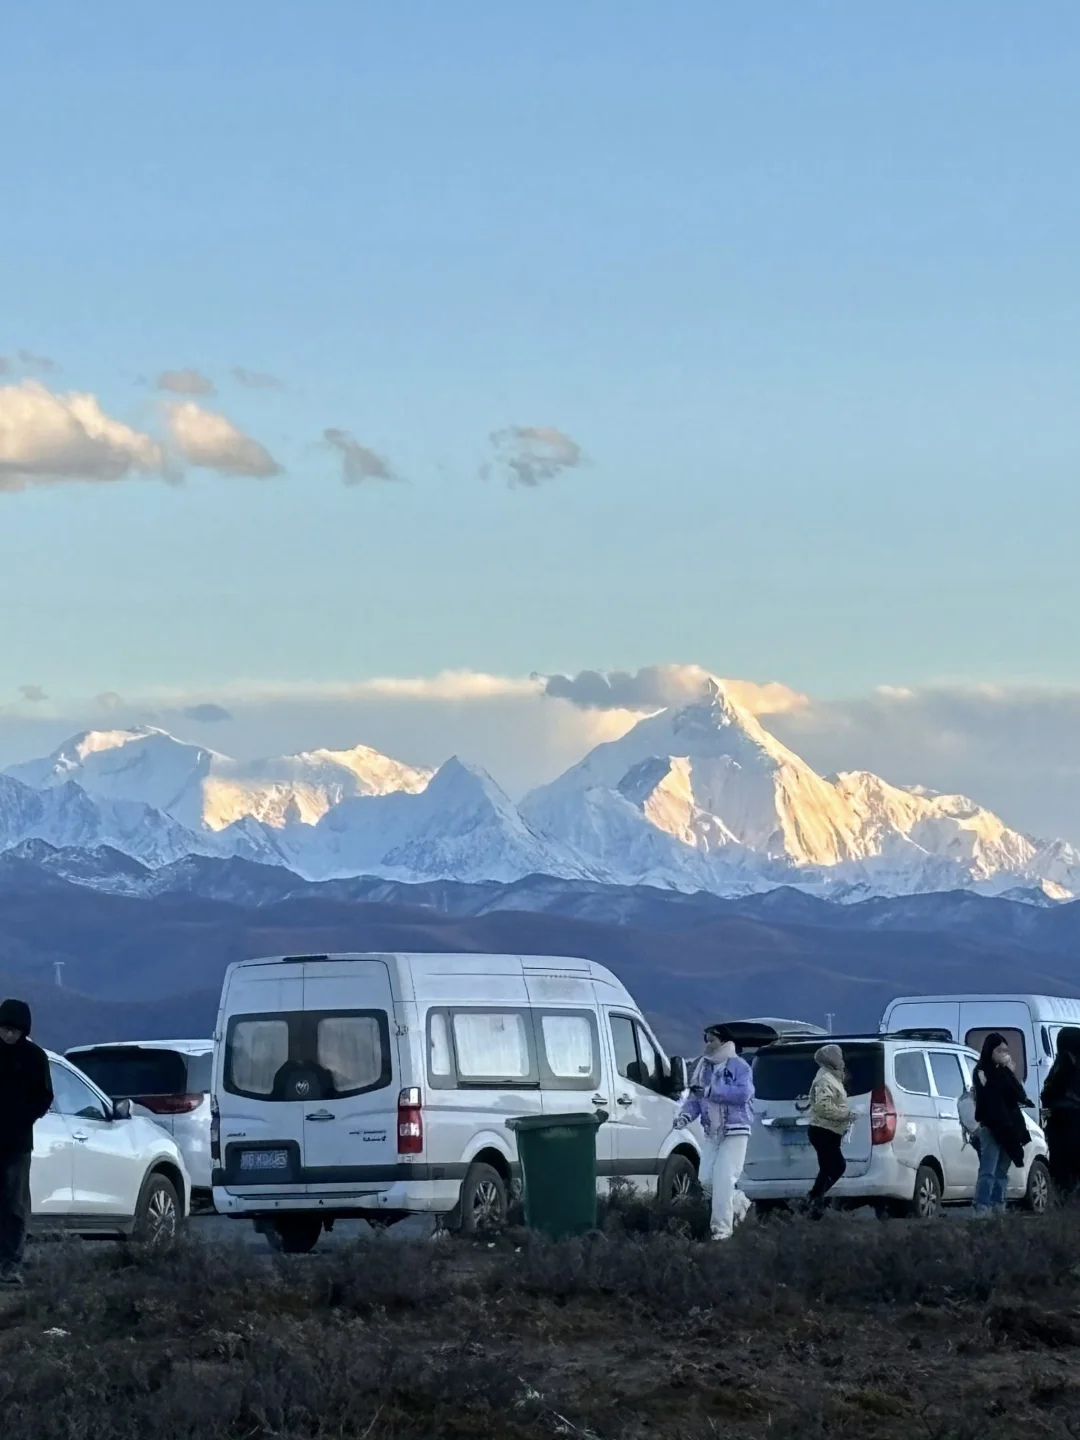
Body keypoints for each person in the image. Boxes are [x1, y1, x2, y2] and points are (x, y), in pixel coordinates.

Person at [673, 1023, 754, 1240]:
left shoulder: (739, 1067)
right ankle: (739, 1202)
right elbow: (695, 1099)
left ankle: (721, 1231)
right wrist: (685, 1116)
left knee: (724, 1178)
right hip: (712, 1131)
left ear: (724, 1041)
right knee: (706, 1180)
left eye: (712, 1040)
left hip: (735, 1129)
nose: (708, 1045)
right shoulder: (703, 1068)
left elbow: (743, 1094)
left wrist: (711, 1091)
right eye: (706, 1040)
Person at [0, 999, 53, 1284]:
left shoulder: (34, 1057)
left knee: (14, 1206)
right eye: (4, 1029)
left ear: (23, 1031)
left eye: (14, 1030)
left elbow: (44, 1096)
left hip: (17, 1143)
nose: (8, 1034)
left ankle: (10, 1264)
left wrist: (24, 1118)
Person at [972, 1032, 1031, 1215]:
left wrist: (1010, 1073)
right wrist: (1001, 1073)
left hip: (1009, 1127)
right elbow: (989, 1095)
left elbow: (1019, 1094)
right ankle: (982, 1206)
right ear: (990, 1050)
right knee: (988, 1171)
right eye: (999, 1050)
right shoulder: (981, 1071)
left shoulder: (1006, 1073)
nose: (1003, 1054)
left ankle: (998, 1206)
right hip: (991, 1126)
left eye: (1006, 1050)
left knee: (1002, 1171)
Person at [806, 1044, 855, 1216]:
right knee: (836, 1166)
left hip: (829, 1131)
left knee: (828, 1168)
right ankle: (813, 1201)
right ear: (832, 1059)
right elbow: (823, 1107)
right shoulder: (825, 1079)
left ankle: (814, 1206)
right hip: (823, 1130)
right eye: (839, 1057)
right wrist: (846, 1114)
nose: (842, 1061)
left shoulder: (832, 1077)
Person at [1041, 1027, 1080, 1200]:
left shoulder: (1060, 1068)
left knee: (1063, 1175)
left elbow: (1047, 1095)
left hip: (1061, 1126)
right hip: (1068, 1125)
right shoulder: (1068, 1067)